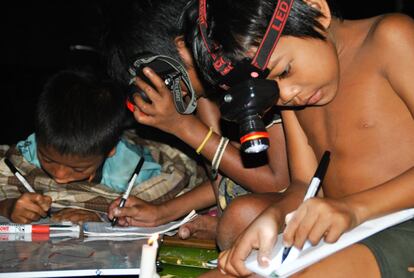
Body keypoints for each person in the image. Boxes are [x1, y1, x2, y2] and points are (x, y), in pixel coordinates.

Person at [180, 0, 414, 276]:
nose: (287, 94)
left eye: (285, 71)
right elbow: (304, 184)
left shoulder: (390, 38)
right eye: (273, 89)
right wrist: (275, 217)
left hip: (401, 221)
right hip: (345, 229)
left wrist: (353, 209)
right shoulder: (291, 99)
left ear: (317, 10)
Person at [102, 0, 290, 248]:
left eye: (159, 79)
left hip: (297, 200)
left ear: (183, 47)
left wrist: (184, 127)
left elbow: (278, 183)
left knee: (238, 216)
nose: (158, 92)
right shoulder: (202, 97)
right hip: (249, 207)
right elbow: (227, 178)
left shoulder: (252, 79)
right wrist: (163, 213)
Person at [0, 69, 161, 224]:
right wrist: (8, 207)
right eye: (47, 159)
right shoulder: (25, 152)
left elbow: (153, 204)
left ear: (110, 151)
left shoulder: (131, 173)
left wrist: (102, 216)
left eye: (77, 169)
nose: (59, 175)